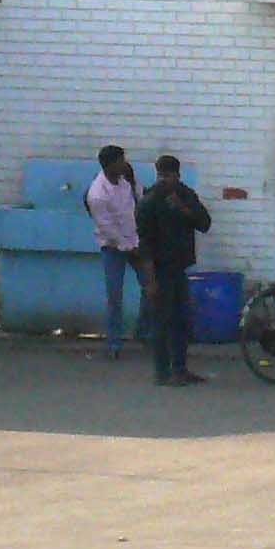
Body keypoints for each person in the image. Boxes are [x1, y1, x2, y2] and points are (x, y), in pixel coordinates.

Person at [136, 155, 214, 387]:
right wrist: (149, 280)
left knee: (181, 320)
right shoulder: (149, 201)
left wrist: (184, 209)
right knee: (161, 321)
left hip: (179, 267)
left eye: (169, 176)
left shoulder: (186, 195)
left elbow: (204, 223)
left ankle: (180, 368)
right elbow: (145, 244)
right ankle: (162, 372)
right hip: (159, 269)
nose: (165, 181)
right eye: (162, 176)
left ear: (178, 176)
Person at [83, 146, 142, 361]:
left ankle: (143, 332)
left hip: (135, 241)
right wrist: (129, 247)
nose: (124, 164)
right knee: (115, 296)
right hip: (113, 247)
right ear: (109, 165)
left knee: (151, 285)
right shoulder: (97, 193)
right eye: (120, 161)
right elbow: (108, 228)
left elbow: (137, 204)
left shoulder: (125, 180)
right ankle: (114, 343)